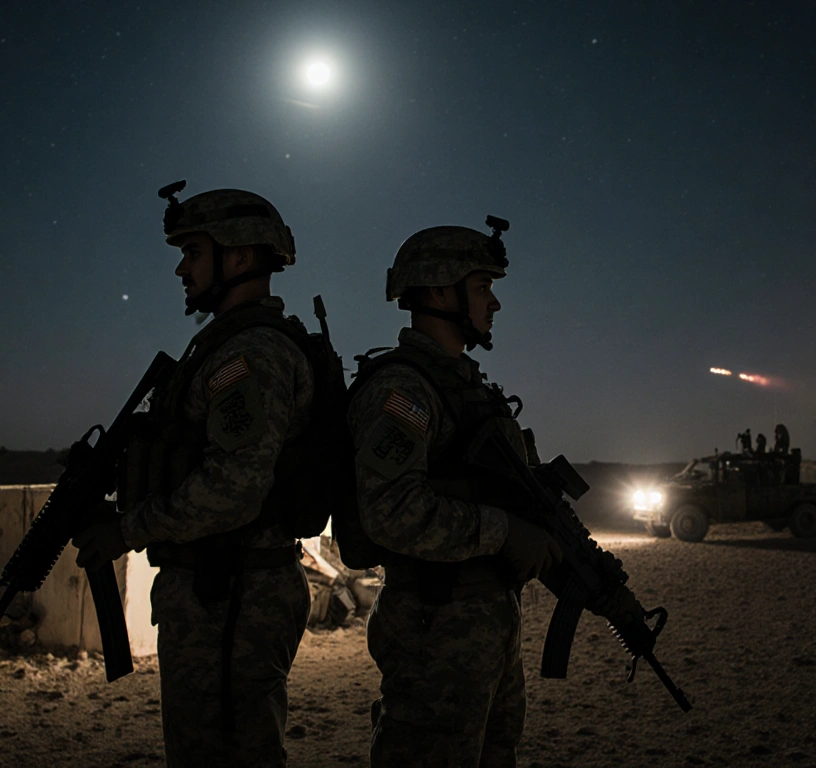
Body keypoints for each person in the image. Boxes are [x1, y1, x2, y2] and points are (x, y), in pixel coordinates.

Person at [73, 181, 313, 767]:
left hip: (233, 596)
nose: (182, 269)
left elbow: (234, 488)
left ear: (239, 256)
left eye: (193, 253)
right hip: (220, 589)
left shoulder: (247, 355)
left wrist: (128, 531)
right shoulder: (223, 347)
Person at [347, 218, 562, 766]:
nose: (494, 305)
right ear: (440, 290)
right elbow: (390, 511)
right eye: (483, 287)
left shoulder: (470, 389)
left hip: (487, 624)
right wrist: (505, 532)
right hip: (434, 630)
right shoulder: (404, 391)